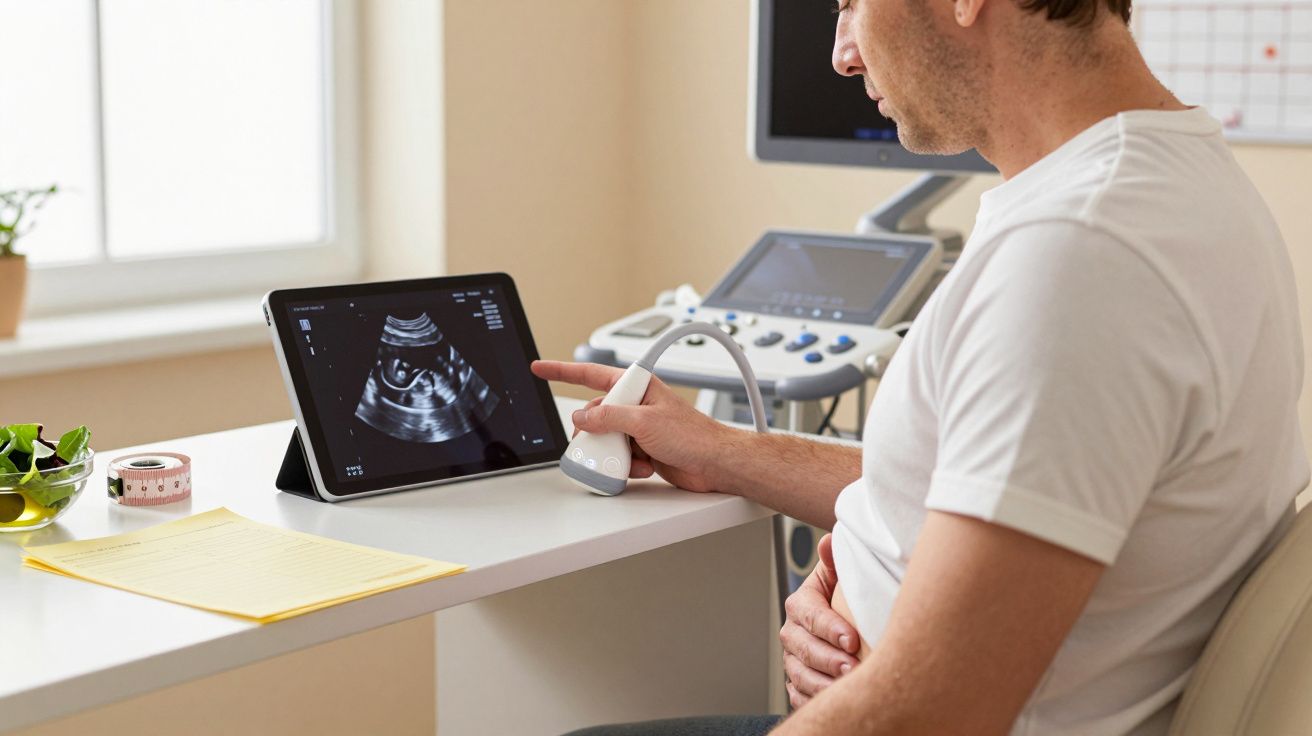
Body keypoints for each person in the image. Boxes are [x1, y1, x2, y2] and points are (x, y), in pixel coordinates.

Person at [537, 0, 1308, 731]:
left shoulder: (1077, 255)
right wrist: (732, 457)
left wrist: (881, 648)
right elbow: (1015, 491)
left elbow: (934, 716)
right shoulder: (1172, 183)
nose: (842, 55)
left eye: (850, 4)